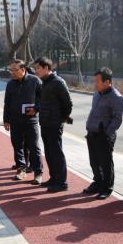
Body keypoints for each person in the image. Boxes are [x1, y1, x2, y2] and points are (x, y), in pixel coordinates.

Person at [34, 57, 73, 193]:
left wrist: (61, 119)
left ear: (46, 68)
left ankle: (62, 182)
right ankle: (54, 178)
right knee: (49, 152)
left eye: (38, 68)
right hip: (45, 123)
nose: (36, 70)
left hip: (54, 124)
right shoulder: (45, 82)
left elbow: (68, 104)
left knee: (56, 152)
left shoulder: (58, 82)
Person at [84, 67, 123, 199]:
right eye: (94, 81)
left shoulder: (116, 97)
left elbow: (117, 119)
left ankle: (107, 188)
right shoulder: (97, 94)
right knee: (94, 162)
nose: (95, 84)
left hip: (104, 136)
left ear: (107, 82)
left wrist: (107, 134)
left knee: (105, 163)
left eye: (98, 81)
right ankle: (98, 183)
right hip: (92, 134)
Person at [4, 59, 43, 184]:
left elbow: (43, 99)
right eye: (11, 70)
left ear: (23, 69)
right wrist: (6, 120)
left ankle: (38, 173)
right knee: (17, 146)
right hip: (15, 120)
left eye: (15, 70)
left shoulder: (35, 81)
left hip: (31, 120)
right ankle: (21, 169)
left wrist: (36, 109)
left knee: (34, 146)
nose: (12, 73)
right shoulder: (10, 84)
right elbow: (7, 103)